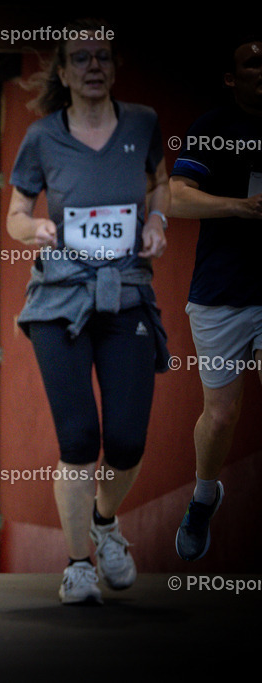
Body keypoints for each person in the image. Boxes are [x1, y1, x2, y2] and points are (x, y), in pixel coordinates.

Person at [5, 19, 169, 604]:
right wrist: (36, 227)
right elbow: (15, 212)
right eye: (81, 58)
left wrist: (156, 221)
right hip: (59, 300)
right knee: (78, 437)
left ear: (115, 67)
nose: (94, 66)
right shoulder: (43, 137)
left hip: (125, 294)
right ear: (64, 71)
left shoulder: (144, 123)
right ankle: (78, 565)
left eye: (103, 57)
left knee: (125, 442)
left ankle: (105, 523)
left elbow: (160, 184)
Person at [170, 36, 262, 561]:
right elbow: (176, 197)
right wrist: (238, 208)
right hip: (221, 292)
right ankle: (205, 496)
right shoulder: (212, 129)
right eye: (253, 63)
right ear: (232, 79)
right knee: (222, 414)